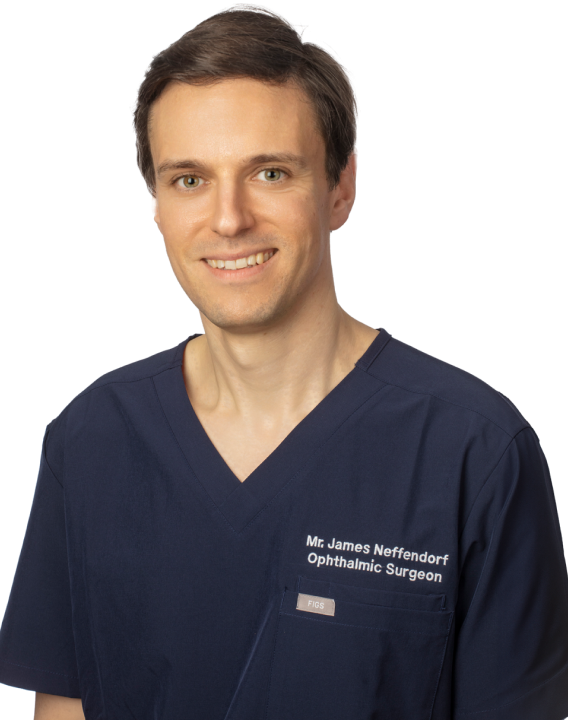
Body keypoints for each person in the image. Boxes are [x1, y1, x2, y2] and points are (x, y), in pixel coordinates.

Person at [1, 5, 567, 720]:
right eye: (189, 180)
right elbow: (65, 707)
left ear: (341, 186)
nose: (229, 218)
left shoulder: (474, 450)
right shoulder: (90, 440)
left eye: (270, 172)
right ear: (154, 204)